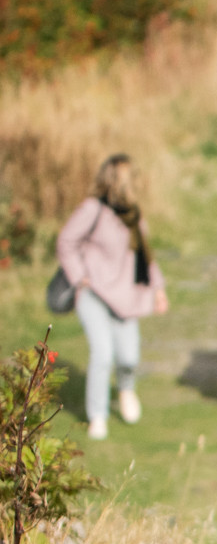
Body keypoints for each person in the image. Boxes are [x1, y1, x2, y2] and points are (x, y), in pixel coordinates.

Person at [56, 155, 168, 441]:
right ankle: (98, 417)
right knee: (102, 353)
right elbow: (66, 241)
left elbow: (145, 255)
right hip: (93, 293)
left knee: (129, 356)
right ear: (115, 181)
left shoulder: (133, 213)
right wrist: (79, 275)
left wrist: (158, 289)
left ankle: (126, 389)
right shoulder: (92, 209)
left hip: (125, 296)